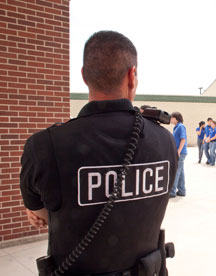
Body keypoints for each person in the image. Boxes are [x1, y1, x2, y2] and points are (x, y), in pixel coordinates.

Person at [20, 31, 177, 275]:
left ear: (84, 76)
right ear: (132, 75)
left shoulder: (44, 146)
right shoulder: (165, 140)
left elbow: (41, 214)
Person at [170, 112, 187, 196]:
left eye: (172, 117)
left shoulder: (181, 127)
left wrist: (178, 151)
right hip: (179, 152)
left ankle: (172, 192)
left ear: (176, 118)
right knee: (180, 172)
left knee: (176, 171)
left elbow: (183, 140)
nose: (170, 119)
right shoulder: (176, 127)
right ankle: (182, 190)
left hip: (180, 152)